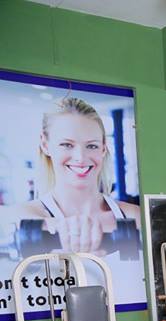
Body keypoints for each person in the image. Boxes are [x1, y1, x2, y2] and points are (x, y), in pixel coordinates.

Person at [0, 97, 140, 256]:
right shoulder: (23, 218)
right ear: (45, 145)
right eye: (67, 145)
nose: (80, 157)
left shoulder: (135, 216)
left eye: (91, 146)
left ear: (103, 149)